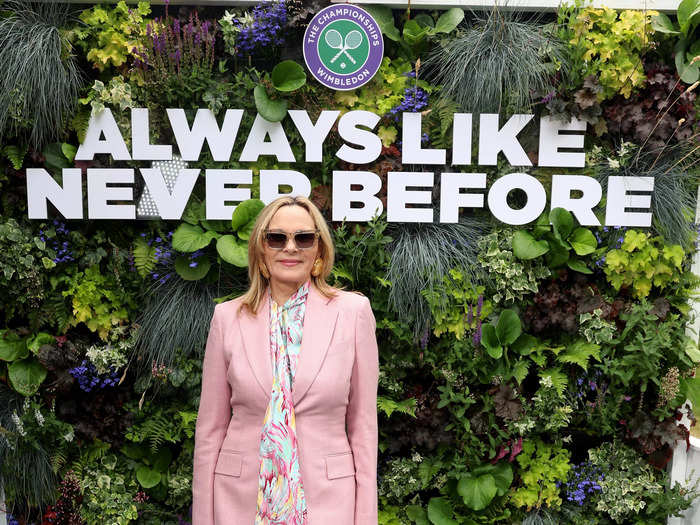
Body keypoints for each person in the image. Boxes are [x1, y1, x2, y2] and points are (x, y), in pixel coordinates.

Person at [192, 195, 379, 525]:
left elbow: (363, 429)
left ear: (319, 251)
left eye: (303, 238)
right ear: (261, 250)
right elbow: (211, 430)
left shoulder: (353, 314)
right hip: (238, 502)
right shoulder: (227, 318)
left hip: (329, 503)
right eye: (276, 238)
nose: (290, 247)